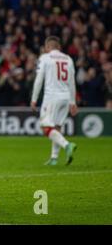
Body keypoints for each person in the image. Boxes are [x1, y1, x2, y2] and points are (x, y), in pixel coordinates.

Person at [31, 36, 78, 165]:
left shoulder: (45, 57)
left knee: (45, 127)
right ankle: (54, 158)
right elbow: (72, 82)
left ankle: (67, 145)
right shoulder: (68, 59)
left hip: (52, 97)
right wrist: (73, 102)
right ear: (59, 47)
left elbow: (39, 79)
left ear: (47, 47)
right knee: (57, 127)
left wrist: (34, 99)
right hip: (66, 97)